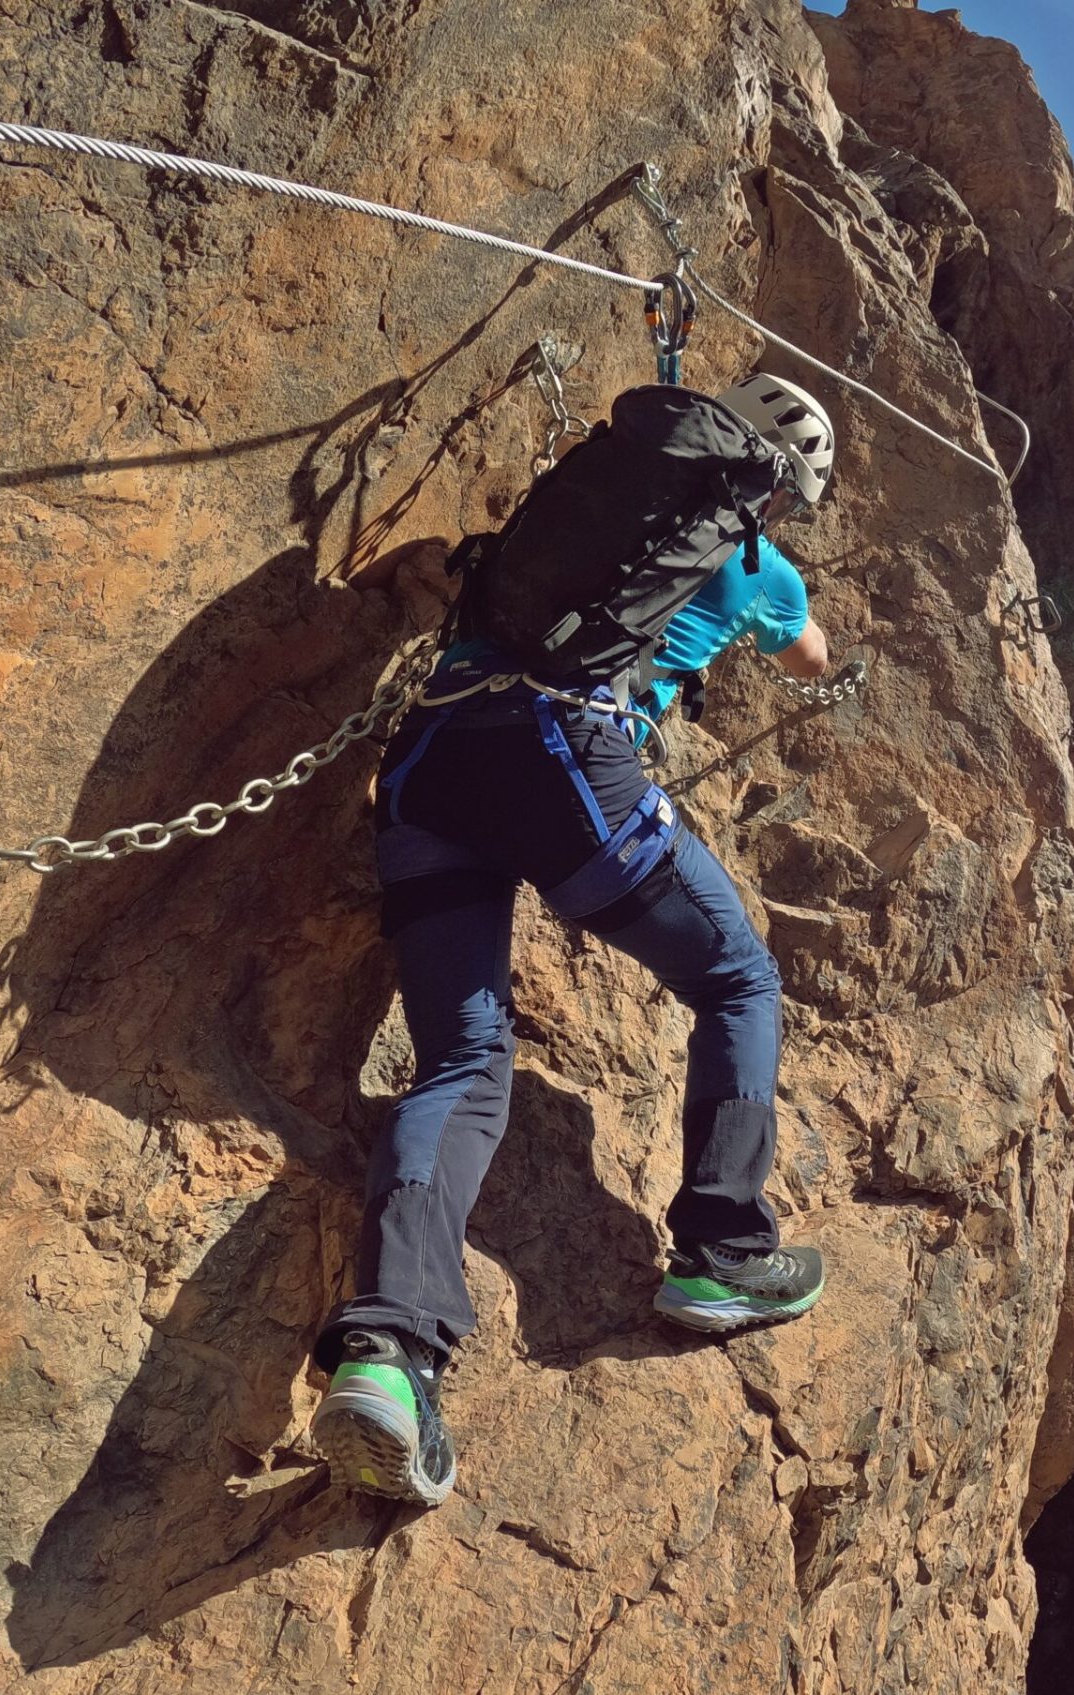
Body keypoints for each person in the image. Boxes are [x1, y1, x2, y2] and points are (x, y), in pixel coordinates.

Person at [307, 373, 841, 1506]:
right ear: (781, 486)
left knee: (463, 1058)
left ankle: (387, 1362)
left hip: (427, 768)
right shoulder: (760, 558)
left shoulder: (607, 497)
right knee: (738, 976)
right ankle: (724, 1251)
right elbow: (812, 656)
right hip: (559, 759)